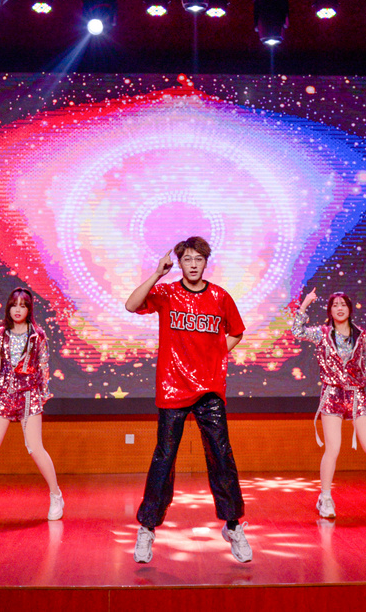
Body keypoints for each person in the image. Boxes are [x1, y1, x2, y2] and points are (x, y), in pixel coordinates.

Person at [125, 236, 251, 564]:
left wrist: (216, 355)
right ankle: (147, 527)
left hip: (209, 389)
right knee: (164, 458)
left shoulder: (220, 296)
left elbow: (236, 332)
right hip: (173, 387)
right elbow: (131, 305)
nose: (193, 264)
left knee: (221, 455)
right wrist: (157, 273)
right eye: (187, 259)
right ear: (179, 263)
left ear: (206, 262)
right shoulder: (167, 293)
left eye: (198, 259)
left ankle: (233, 525)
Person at [0, 288, 63, 523]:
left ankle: (56, 495)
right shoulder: (0, 333)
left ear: (29, 309)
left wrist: (41, 397)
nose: (18, 309)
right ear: (8, 307)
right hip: (4, 395)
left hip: (29, 396)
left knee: (35, 448)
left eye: (23, 306)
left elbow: (44, 367)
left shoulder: (37, 336)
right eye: (14, 305)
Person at [292, 289, 366, 519]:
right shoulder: (322, 334)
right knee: (333, 448)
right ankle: (325, 498)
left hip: (356, 394)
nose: (339, 308)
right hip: (332, 394)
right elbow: (297, 331)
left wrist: (359, 378)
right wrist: (305, 305)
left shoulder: (361, 335)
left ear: (349, 308)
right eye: (335, 305)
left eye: (343, 305)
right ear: (330, 310)